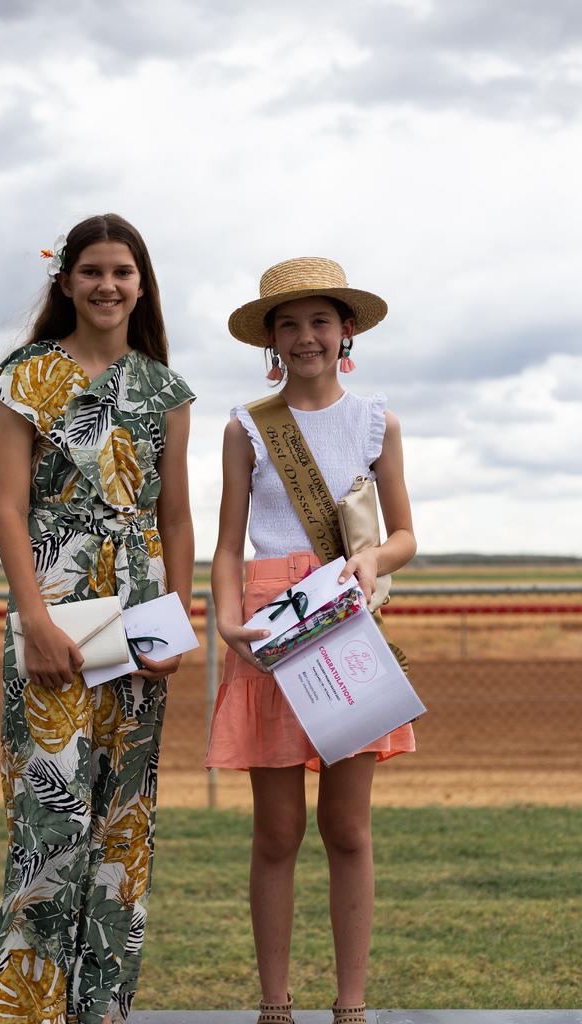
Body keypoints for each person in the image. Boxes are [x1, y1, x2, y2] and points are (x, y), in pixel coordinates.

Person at [0, 213, 195, 1024]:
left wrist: (173, 616)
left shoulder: (165, 390)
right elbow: (6, 507)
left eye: (123, 272)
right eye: (93, 271)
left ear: (142, 285)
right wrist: (34, 621)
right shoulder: (28, 375)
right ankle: (22, 1013)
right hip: (55, 603)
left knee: (121, 824)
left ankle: (102, 1012)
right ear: (65, 280)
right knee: (52, 816)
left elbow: (175, 517)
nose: (109, 286)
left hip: (138, 614)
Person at [206, 257, 416, 1024]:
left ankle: (351, 1005)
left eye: (320, 321)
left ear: (346, 331)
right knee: (277, 830)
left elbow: (405, 537)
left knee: (347, 827)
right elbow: (228, 546)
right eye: (287, 325)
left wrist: (372, 559)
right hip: (270, 624)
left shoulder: (376, 422)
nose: (305, 337)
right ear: (270, 340)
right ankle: (273, 1005)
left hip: (343, 619)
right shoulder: (245, 428)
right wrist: (228, 623)